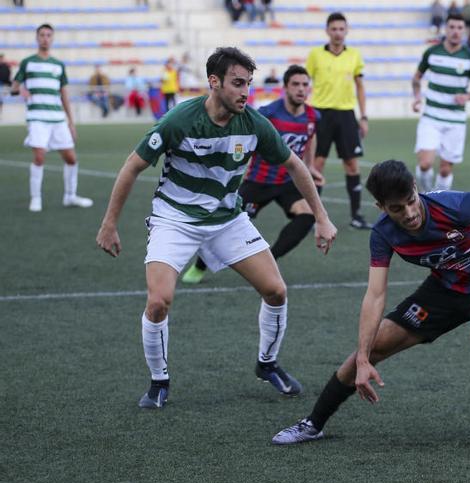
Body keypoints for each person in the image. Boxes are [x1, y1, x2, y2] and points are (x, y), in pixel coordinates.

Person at [95, 47, 338, 409]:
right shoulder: (180, 120)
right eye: (238, 83)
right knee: (159, 301)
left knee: (276, 291)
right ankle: (159, 382)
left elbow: (295, 166)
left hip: (227, 220)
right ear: (214, 82)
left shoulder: (253, 123)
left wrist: (321, 217)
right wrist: (109, 223)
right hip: (175, 219)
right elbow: (132, 166)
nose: (245, 92)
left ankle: (267, 363)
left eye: (249, 84)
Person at [271, 158, 470, 447]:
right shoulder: (384, 234)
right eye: (397, 208)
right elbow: (375, 294)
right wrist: (363, 358)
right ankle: (313, 423)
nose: (410, 213)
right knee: (371, 348)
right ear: (381, 208)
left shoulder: (458, 205)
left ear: (415, 187)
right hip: (443, 289)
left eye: (411, 200)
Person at [181, 64, 324, 284]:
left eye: (305, 85)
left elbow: (310, 136)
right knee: (223, 224)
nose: (301, 89)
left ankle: (272, 261)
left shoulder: (313, 116)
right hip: (258, 182)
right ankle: (200, 266)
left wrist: (311, 166)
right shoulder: (268, 114)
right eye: (295, 84)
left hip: (287, 182)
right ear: (285, 87)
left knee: (307, 215)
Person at [11, 24, 92, 212]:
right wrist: (20, 90)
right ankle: (36, 198)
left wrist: (71, 122)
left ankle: (70, 196)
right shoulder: (28, 62)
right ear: (37, 38)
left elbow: (64, 94)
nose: (45, 38)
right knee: (39, 157)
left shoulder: (58, 65)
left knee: (71, 159)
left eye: (48, 35)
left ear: (52, 38)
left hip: (57, 119)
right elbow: (15, 87)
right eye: (42, 35)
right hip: (37, 118)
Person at [306, 12, 372, 230]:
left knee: (352, 165)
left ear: (346, 31)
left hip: (346, 115)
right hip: (320, 114)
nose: (337, 33)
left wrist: (363, 116)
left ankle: (356, 216)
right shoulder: (315, 55)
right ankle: (315, 218)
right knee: (317, 166)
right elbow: (305, 85)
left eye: (341, 29)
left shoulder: (354, 55)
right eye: (333, 29)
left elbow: (361, 87)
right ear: (327, 31)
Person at [411, 13, 470, 193]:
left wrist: (467, 96)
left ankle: (439, 201)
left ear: (464, 30)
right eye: (452, 27)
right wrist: (417, 96)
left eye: (459, 28)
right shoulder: (432, 52)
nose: (456, 31)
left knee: (445, 169)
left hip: (455, 121)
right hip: (431, 117)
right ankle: (427, 197)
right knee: (425, 163)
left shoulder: (469, 58)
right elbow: (416, 78)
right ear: (445, 28)